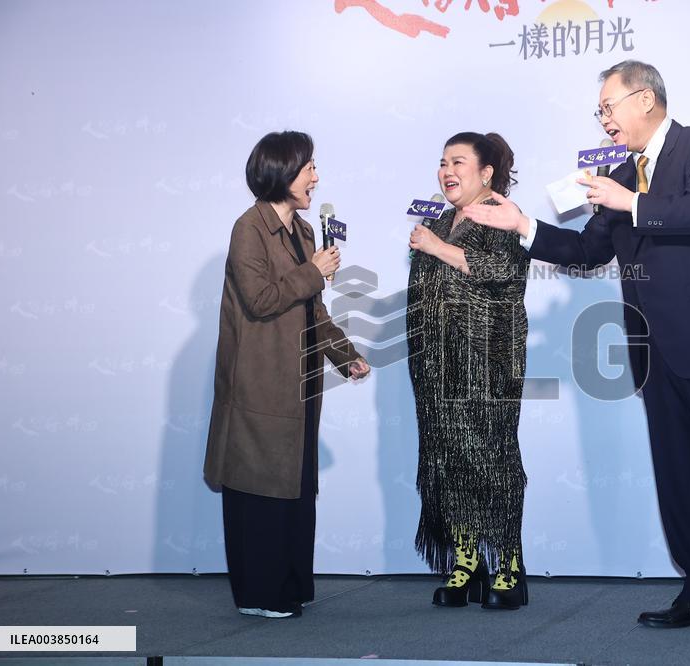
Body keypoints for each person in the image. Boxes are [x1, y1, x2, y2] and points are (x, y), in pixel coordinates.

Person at [463, 61, 690, 635]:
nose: (604, 121)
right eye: (599, 112)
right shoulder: (622, 174)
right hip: (654, 351)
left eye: (608, 107)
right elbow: (587, 251)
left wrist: (631, 203)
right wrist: (522, 225)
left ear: (644, 99)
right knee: (679, 480)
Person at [204, 131, 370, 618]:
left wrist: (345, 355)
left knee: (294, 486)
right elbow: (260, 300)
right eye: (308, 168)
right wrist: (313, 272)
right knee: (258, 489)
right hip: (258, 381)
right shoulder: (248, 228)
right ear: (282, 171)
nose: (315, 178)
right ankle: (259, 594)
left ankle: (291, 586)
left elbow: (311, 308)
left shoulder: (303, 232)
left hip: (298, 383)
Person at [406, 132, 530, 610]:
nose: (446, 170)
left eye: (458, 161)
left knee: (491, 461)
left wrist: (437, 248)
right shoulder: (437, 220)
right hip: (434, 366)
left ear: (486, 173)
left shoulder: (500, 214)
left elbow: (504, 272)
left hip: (486, 365)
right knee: (446, 462)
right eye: (442, 162)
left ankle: (509, 567)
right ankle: (466, 561)